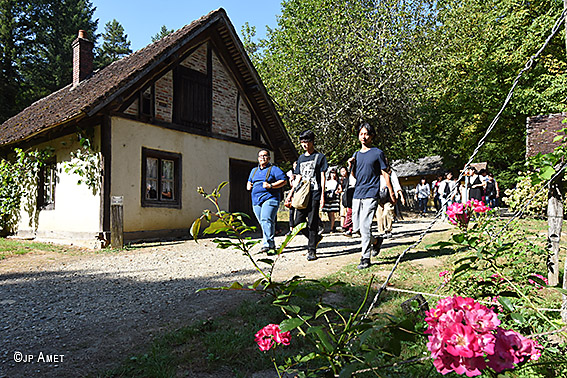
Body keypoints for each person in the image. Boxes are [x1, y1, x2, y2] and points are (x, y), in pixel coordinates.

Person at [348, 123, 396, 269]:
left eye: (366, 134)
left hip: (371, 193)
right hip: (357, 193)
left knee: (365, 225)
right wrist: (351, 165)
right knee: (356, 228)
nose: (364, 137)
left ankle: (365, 257)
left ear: (372, 136)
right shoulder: (356, 154)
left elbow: (385, 173)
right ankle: (376, 241)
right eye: (361, 134)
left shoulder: (377, 153)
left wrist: (391, 192)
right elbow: (356, 176)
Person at [285, 130, 328, 261]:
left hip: (315, 192)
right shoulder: (301, 158)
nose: (304, 144)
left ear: (312, 141)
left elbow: (323, 176)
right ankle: (314, 238)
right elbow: (298, 177)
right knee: (298, 222)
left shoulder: (320, 157)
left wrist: (322, 196)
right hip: (302, 193)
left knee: (313, 221)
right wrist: (291, 193)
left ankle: (311, 250)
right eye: (302, 142)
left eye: (306, 141)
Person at [247, 149, 288, 254]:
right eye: (260, 156)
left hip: (270, 198)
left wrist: (271, 185)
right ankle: (270, 243)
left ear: (269, 158)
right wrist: (248, 185)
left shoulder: (274, 169)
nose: (262, 158)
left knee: (266, 220)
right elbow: (249, 181)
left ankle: (268, 244)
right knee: (263, 222)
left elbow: (283, 181)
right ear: (258, 158)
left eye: (265, 156)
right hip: (256, 200)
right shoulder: (254, 170)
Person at [376, 166, 404, 238]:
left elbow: (396, 184)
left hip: (389, 196)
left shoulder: (391, 173)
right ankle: (381, 231)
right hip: (378, 196)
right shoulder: (376, 173)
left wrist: (400, 195)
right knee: (379, 215)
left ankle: (388, 230)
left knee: (387, 212)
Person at [322, 168, 340, 233]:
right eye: (332, 173)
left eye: (334, 173)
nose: (333, 174)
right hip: (327, 197)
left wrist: (337, 191)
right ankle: (332, 225)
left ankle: (332, 228)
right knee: (328, 213)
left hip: (334, 197)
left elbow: (340, 188)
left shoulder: (338, 181)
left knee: (332, 213)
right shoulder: (327, 181)